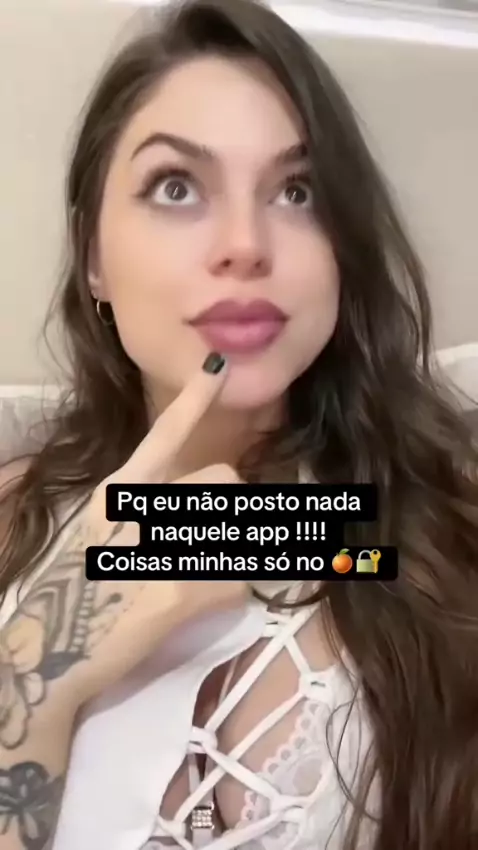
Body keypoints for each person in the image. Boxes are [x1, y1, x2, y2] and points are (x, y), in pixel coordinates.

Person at [0, 0, 477, 848]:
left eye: (297, 191)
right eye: (176, 187)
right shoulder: (14, 515)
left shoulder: (444, 536)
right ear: (94, 256)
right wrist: (38, 674)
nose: (246, 244)